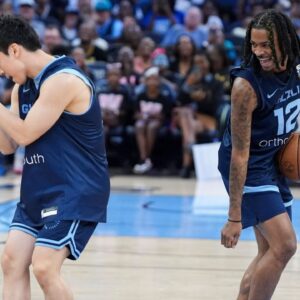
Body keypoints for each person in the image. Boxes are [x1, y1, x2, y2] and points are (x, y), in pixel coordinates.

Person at [0, 14, 110, 300]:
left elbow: (24, 135)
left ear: (14, 50)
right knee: (11, 261)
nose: (0, 72)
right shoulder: (21, 87)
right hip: (39, 188)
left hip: (75, 189)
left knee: (45, 267)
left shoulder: (63, 80)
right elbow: (8, 146)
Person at [218, 9, 300, 300]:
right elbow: (240, 154)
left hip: (273, 162)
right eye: (254, 44)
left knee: (268, 251)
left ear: (286, 42)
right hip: (247, 166)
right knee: (285, 245)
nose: (259, 51)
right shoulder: (246, 87)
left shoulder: (297, 69)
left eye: (266, 45)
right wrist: (234, 217)